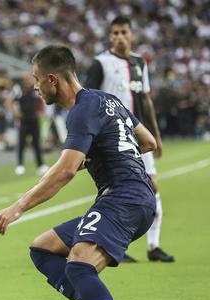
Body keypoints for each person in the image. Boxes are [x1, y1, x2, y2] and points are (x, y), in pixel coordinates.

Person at [0, 45, 157, 300]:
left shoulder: (81, 109)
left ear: (53, 79)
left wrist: (16, 209)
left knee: (79, 265)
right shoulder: (108, 100)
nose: (35, 87)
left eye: (37, 79)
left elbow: (65, 171)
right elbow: (148, 142)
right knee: (43, 248)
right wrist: (106, 155)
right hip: (133, 195)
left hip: (124, 197)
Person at [85, 16, 173, 263]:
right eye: (115, 33)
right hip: (114, 140)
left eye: (124, 32)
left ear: (131, 34)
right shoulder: (101, 63)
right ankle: (113, 245)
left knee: (152, 189)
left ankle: (153, 246)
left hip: (141, 137)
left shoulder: (139, 62)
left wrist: (155, 134)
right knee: (115, 192)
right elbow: (88, 100)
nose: (120, 37)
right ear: (109, 36)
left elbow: (146, 99)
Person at [13, 74, 47, 176]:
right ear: (23, 80)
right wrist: (16, 112)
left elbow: (41, 100)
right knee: (21, 143)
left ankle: (40, 166)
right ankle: (20, 165)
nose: (27, 81)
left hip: (34, 120)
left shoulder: (35, 89)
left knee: (36, 143)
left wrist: (41, 111)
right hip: (23, 121)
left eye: (28, 79)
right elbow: (10, 101)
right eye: (25, 79)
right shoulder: (18, 89)